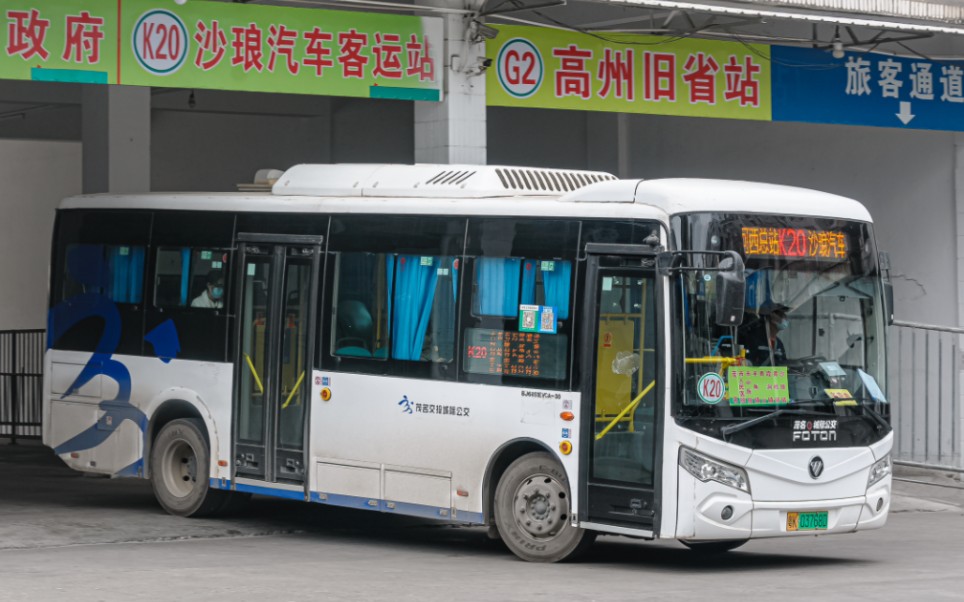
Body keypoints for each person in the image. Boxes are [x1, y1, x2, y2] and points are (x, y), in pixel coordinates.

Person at [741, 301, 789, 366]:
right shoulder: (753, 339)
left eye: (784, 315)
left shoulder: (779, 343)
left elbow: (784, 365)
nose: (785, 318)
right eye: (781, 315)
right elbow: (746, 363)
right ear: (771, 316)